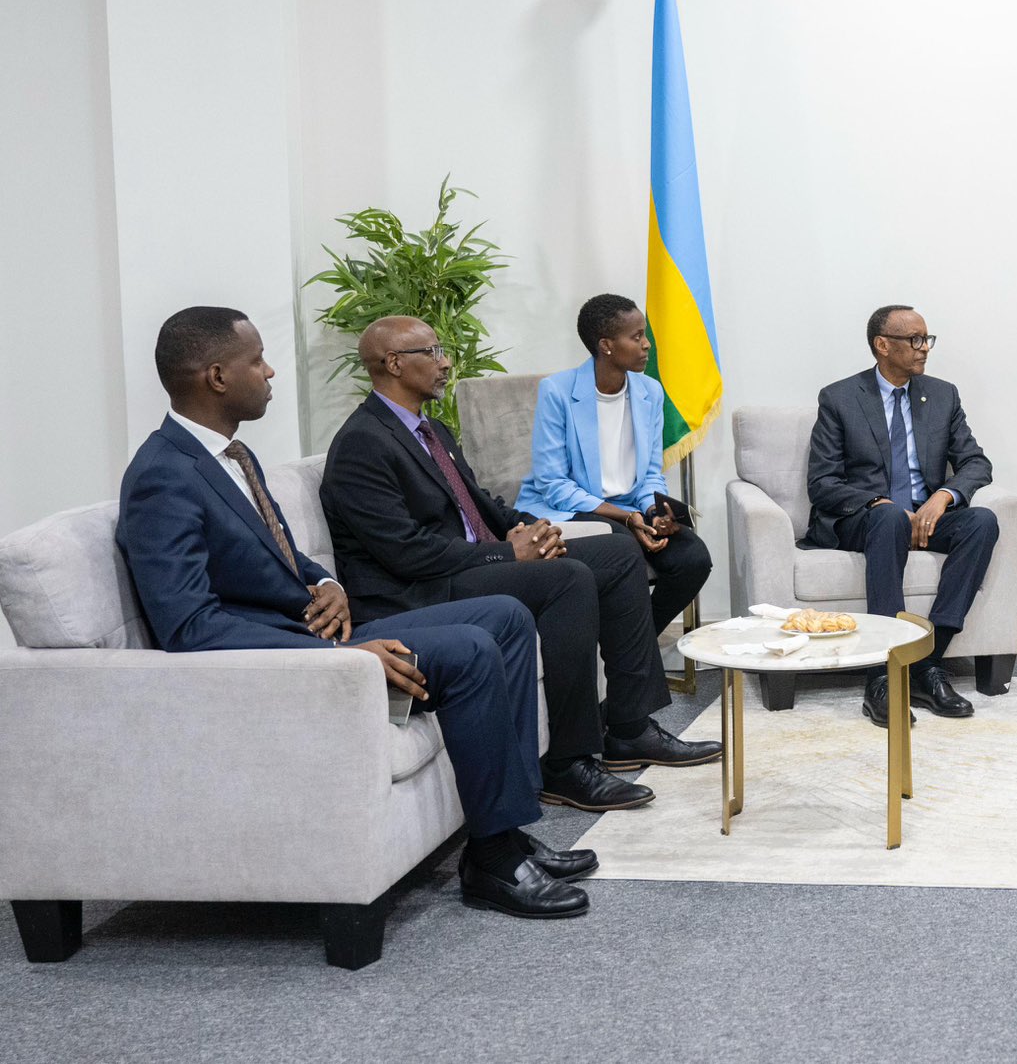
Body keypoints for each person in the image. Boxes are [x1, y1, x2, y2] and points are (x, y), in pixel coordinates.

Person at [118, 306, 592, 919]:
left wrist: (325, 582)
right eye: (257, 361)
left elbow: (280, 555)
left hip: (321, 630)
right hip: (294, 659)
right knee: (472, 647)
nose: (270, 372)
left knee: (503, 616)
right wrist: (339, 656)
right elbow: (188, 627)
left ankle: (508, 827)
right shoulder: (162, 476)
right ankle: (493, 862)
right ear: (216, 376)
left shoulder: (231, 456)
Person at [320, 316, 717, 817]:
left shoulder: (431, 429)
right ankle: (567, 764)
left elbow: (480, 504)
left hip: (466, 566)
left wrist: (532, 528)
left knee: (618, 555)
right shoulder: (363, 442)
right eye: (433, 352)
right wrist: (509, 554)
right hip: (420, 590)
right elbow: (405, 552)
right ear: (395, 363)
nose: (446, 363)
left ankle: (629, 728)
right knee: (567, 578)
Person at [805, 304, 1000, 727]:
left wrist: (943, 496)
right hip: (866, 519)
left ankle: (927, 662)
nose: (924, 348)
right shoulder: (840, 398)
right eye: (915, 340)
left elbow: (976, 463)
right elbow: (822, 483)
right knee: (890, 518)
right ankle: (882, 675)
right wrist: (879, 503)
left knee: (982, 522)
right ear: (882, 345)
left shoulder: (942, 395)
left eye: (927, 339)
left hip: (924, 517)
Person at [516, 293, 714, 638]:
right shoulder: (558, 391)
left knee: (693, 557)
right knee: (625, 549)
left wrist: (655, 511)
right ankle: (631, 650)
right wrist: (625, 518)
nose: (646, 344)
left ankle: (633, 642)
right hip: (572, 508)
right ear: (606, 345)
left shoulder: (650, 391)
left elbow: (650, 473)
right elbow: (553, 483)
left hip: (629, 506)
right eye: (636, 337)